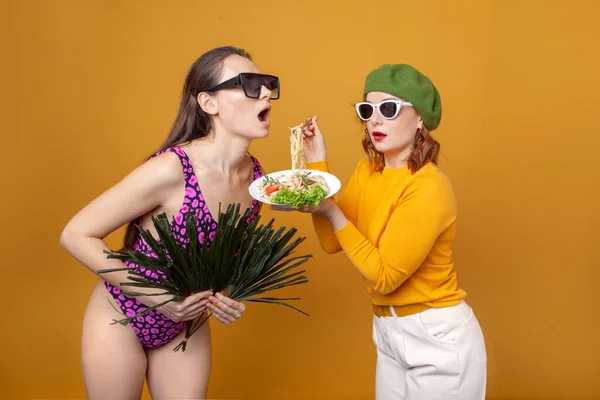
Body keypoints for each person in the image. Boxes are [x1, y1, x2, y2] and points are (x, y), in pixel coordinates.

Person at [60, 46, 279, 399]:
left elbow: (218, 256)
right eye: (249, 84)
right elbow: (75, 234)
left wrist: (229, 295)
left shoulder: (256, 179)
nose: (266, 92)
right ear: (209, 103)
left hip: (184, 324)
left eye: (267, 84)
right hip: (122, 316)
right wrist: (159, 299)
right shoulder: (172, 169)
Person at [272, 64, 487, 399]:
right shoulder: (368, 171)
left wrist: (328, 208)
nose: (374, 120)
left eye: (388, 109)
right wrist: (317, 166)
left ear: (420, 120)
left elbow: (385, 276)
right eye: (367, 110)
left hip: (436, 337)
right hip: (388, 331)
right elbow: (331, 242)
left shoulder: (429, 186)